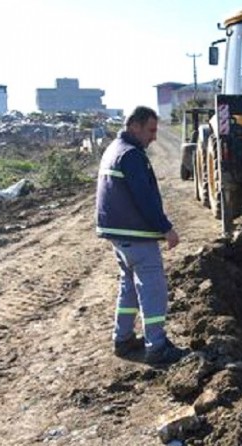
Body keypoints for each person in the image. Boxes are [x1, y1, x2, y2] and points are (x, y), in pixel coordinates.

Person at [95, 106, 183, 365]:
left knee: (129, 287)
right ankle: (156, 347)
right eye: (151, 130)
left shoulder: (114, 149)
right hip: (135, 234)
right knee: (153, 290)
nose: (154, 137)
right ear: (134, 126)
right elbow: (144, 198)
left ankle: (122, 339)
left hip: (118, 234)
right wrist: (166, 228)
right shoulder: (131, 155)